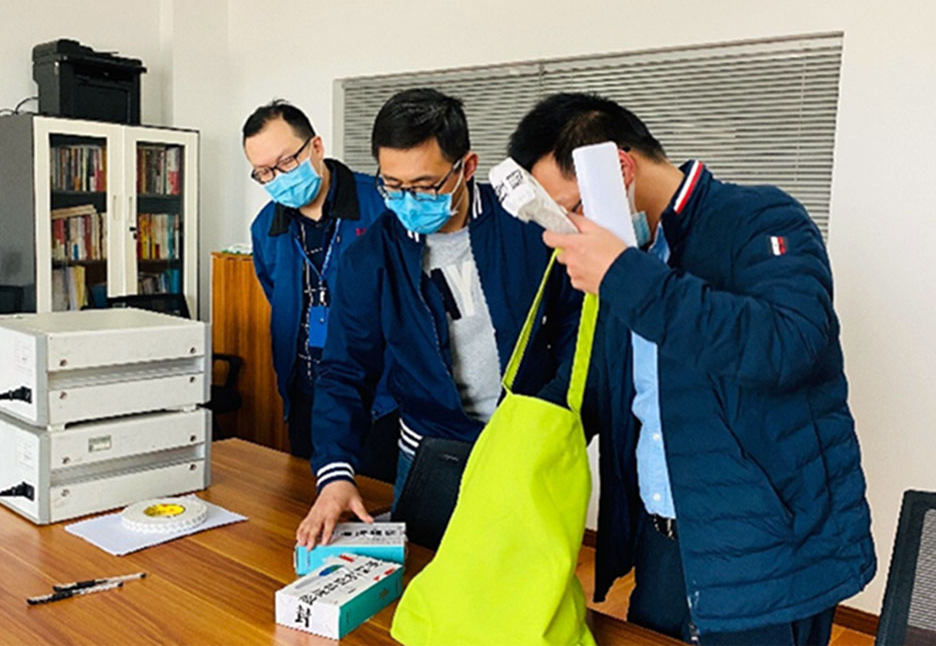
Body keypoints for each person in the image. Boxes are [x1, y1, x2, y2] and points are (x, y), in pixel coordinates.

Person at [508, 93, 876, 645]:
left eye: (572, 209)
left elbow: (789, 344)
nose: (571, 231)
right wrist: (511, 446)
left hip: (769, 551)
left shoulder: (760, 218)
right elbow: (608, 382)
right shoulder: (627, 256)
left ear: (619, 169)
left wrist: (624, 276)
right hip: (665, 542)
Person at [295, 88, 580, 546]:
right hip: (431, 453)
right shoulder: (371, 257)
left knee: (526, 574)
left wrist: (555, 411)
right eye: (393, 185)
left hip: (526, 446)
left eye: (425, 186)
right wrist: (335, 472)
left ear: (466, 167)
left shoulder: (527, 225)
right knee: (425, 573)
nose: (408, 200)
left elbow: (574, 324)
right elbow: (345, 370)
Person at [245, 99, 398, 481]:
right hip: (307, 398)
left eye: (286, 162)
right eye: (264, 172)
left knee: (378, 503)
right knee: (311, 501)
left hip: (382, 399)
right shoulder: (265, 228)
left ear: (316, 146)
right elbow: (277, 297)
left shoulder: (382, 206)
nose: (278, 178)